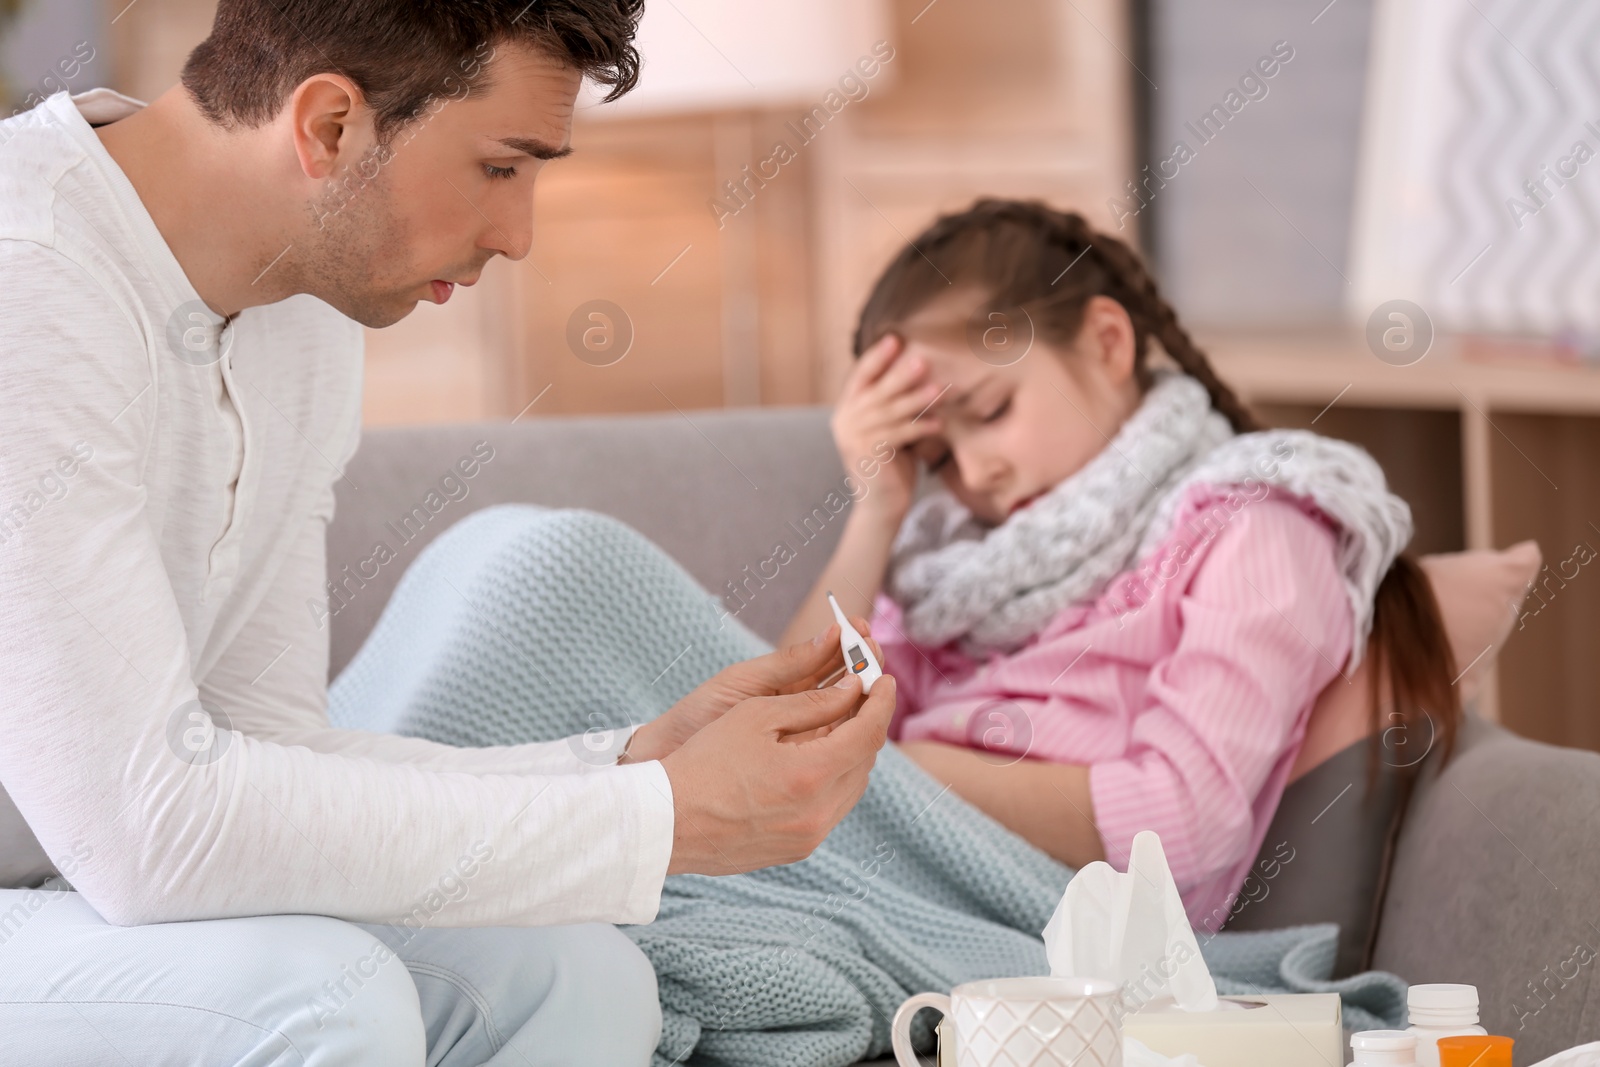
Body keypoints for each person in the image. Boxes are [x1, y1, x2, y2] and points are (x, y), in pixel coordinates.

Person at [0, 3, 895, 1064]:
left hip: (72, 886)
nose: (518, 235)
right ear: (330, 125)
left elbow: (263, 746)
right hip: (80, 874)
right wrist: (655, 819)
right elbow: (149, 835)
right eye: (501, 168)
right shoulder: (30, 275)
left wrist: (624, 766)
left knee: (580, 975)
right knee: (327, 997)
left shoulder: (304, 307)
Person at [782, 197, 1462, 930]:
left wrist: (890, 771)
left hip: (1044, 937)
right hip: (870, 887)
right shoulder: (949, 561)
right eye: (937, 454)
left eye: (989, 411)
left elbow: (1184, 821)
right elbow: (787, 729)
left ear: (1108, 343)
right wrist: (876, 512)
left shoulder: (1253, 525)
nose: (974, 473)